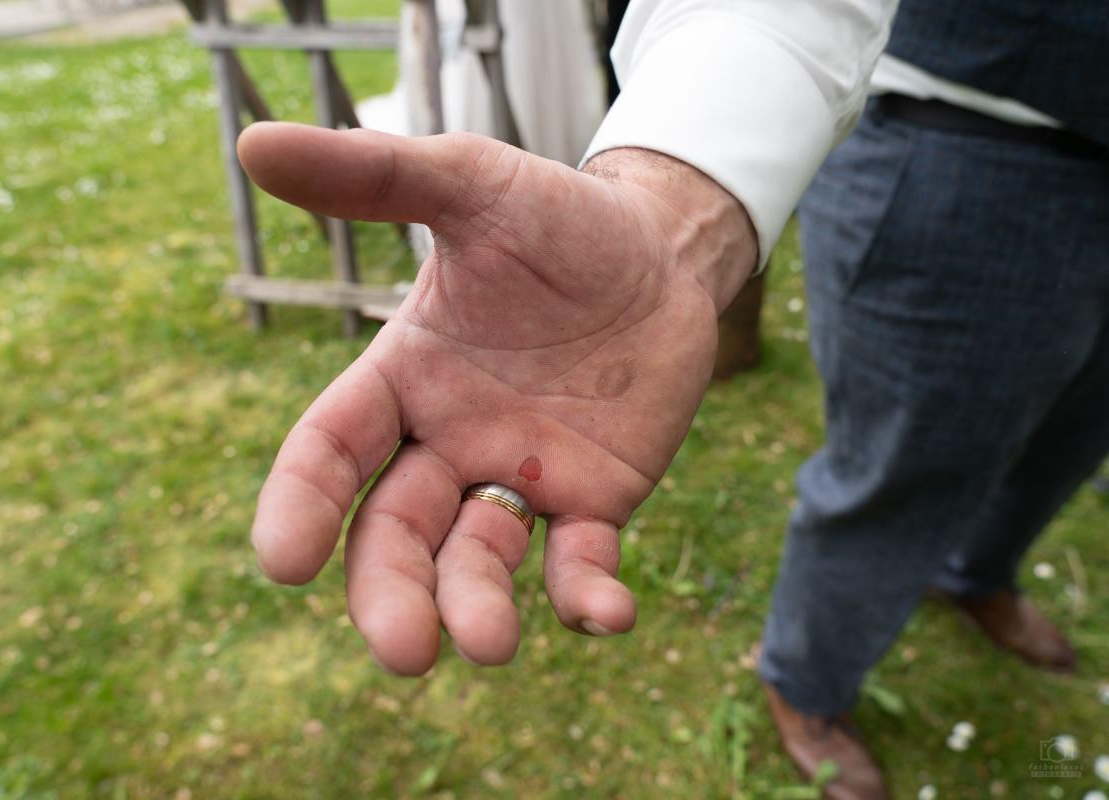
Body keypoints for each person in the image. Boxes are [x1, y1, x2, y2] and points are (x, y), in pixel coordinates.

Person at [235, 2, 1107, 798]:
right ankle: (807, 683)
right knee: (906, 467)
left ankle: (977, 573)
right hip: (975, 135)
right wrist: (668, 211)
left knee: (1074, 433)